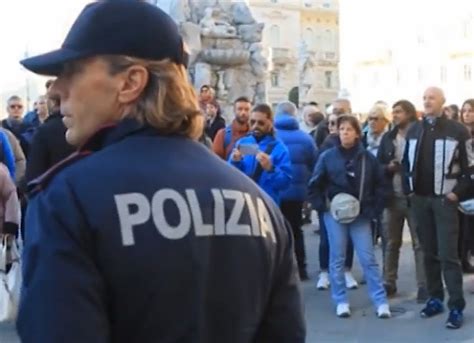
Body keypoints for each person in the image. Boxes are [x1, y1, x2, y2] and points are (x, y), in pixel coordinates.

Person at [17, 2, 305, 342]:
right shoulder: (258, 203)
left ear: (130, 82)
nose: (54, 89)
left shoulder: (67, 199)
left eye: (71, 71)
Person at [309, 115, 390, 319]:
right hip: (335, 215)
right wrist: (323, 206)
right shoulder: (327, 157)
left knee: (368, 258)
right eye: (341, 128)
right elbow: (315, 184)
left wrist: (373, 210)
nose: (344, 132)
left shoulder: (367, 158)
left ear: (356, 133)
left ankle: (380, 301)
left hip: (361, 215)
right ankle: (341, 301)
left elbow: (381, 185)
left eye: (348, 129)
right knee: (337, 258)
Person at [402, 87, 470, 329]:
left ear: (443, 101)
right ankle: (434, 298)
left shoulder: (458, 131)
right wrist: (408, 191)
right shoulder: (414, 130)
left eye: (431, 97)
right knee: (428, 252)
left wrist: (456, 194)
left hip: (444, 202)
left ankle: (456, 306)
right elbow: (406, 164)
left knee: (448, 256)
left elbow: (470, 168)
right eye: (424, 98)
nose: (426, 101)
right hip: (420, 200)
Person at [377, 100, 427, 302]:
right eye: (393, 112)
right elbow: (378, 165)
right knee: (391, 242)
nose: (395, 115)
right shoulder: (388, 138)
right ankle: (389, 281)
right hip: (392, 197)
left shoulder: (421, 134)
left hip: (415, 196)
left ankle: (424, 284)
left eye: (398, 112)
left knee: (420, 244)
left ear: (409, 113)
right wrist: (387, 168)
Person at [274, 101, 318, 280]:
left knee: (275, 231)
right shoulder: (305, 138)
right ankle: (301, 268)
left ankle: (278, 270)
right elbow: (315, 165)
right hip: (297, 193)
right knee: (296, 230)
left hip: (275, 190)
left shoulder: (272, 137)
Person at [315, 111, 358, 291]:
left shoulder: (356, 150)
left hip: (350, 201)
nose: (336, 129)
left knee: (347, 239)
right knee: (326, 239)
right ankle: (324, 272)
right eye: (332, 125)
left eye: (340, 126)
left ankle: (346, 271)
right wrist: (319, 201)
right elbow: (316, 177)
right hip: (328, 202)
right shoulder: (324, 149)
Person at [229, 104, 292, 205]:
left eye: (261, 123)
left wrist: (270, 169)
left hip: (267, 204)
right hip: (244, 202)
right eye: (252, 122)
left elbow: (285, 183)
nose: (255, 126)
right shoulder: (242, 143)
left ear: (270, 123)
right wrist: (235, 161)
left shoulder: (280, 148)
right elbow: (231, 175)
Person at [458, 98, 474, 273]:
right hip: (463, 186)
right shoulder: (458, 133)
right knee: (464, 228)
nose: (467, 114)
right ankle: (463, 259)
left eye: (470, 110)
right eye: (465, 110)